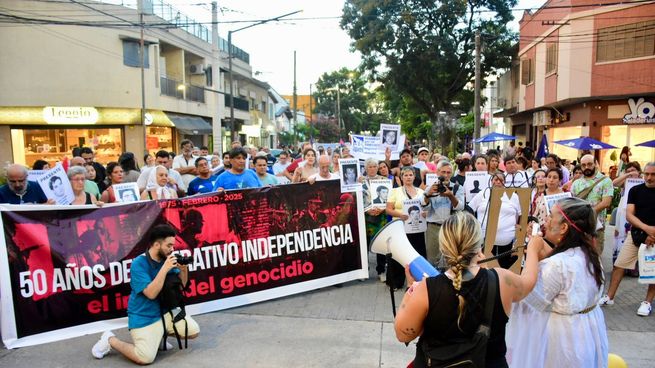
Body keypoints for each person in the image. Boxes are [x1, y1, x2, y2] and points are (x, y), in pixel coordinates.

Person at [394, 211, 543, 368]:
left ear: (443, 247)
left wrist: (411, 291)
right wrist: (533, 249)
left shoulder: (426, 289)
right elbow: (528, 282)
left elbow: (403, 334)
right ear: (478, 245)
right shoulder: (502, 280)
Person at [506, 197, 608, 368]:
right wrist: (538, 245)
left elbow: (524, 295)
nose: (545, 220)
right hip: (585, 334)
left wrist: (531, 250)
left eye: (550, 216)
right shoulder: (587, 254)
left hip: (564, 341)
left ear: (563, 227)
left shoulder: (557, 264)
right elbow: (561, 273)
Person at [91, 224, 199, 364]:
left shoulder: (168, 258)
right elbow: (151, 294)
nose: (172, 249)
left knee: (193, 331)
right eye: (169, 245)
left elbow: (182, 285)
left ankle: (158, 336)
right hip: (144, 315)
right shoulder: (139, 264)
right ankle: (110, 340)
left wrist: (183, 270)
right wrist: (165, 269)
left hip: (165, 311)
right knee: (145, 358)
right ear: (156, 245)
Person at [599, 162, 655, 316]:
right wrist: (646, 229)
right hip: (636, 234)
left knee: (653, 271)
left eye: (653, 174)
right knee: (619, 265)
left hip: (654, 237)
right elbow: (629, 214)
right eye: (647, 174)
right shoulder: (636, 190)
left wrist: (652, 233)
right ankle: (609, 297)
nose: (649, 178)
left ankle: (647, 302)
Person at [468, 172, 521, 269]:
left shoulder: (513, 196)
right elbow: (469, 209)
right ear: (491, 181)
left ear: (505, 182)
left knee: (504, 269)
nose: (498, 182)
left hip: (506, 243)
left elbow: (520, 214)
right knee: (485, 268)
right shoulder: (483, 193)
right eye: (495, 180)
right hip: (484, 241)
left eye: (501, 180)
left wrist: (518, 225)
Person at [386, 166, 426, 289]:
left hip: (416, 229)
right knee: (398, 255)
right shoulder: (395, 191)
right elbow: (388, 210)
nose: (408, 177)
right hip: (400, 228)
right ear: (402, 177)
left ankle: (419, 280)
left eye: (410, 175)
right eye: (406, 175)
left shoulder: (421, 192)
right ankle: (395, 282)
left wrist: (425, 214)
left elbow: (426, 208)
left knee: (417, 254)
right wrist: (400, 215)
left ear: (414, 177)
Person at [421, 160, 464, 266]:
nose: (445, 175)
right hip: (433, 228)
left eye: (448, 172)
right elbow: (424, 207)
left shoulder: (457, 187)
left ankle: (449, 281)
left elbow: (460, 207)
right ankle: (433, 281)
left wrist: (451, 195)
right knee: (432, 259)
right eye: (443, 172)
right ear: (437, 172)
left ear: (452, 173)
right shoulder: (430, 187)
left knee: (451, 258)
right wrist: (428, 194)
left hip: (451, 227)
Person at [572, 154, 613, 253]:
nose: (586, 167)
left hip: (596, 228)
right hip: (579, 227)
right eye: (583, 165)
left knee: (595, 258)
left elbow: (606, 203)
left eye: (590, 164)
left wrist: (587, 213)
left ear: (595, 164)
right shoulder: (576, 183)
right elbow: (572, 203)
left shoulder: (606, 181)